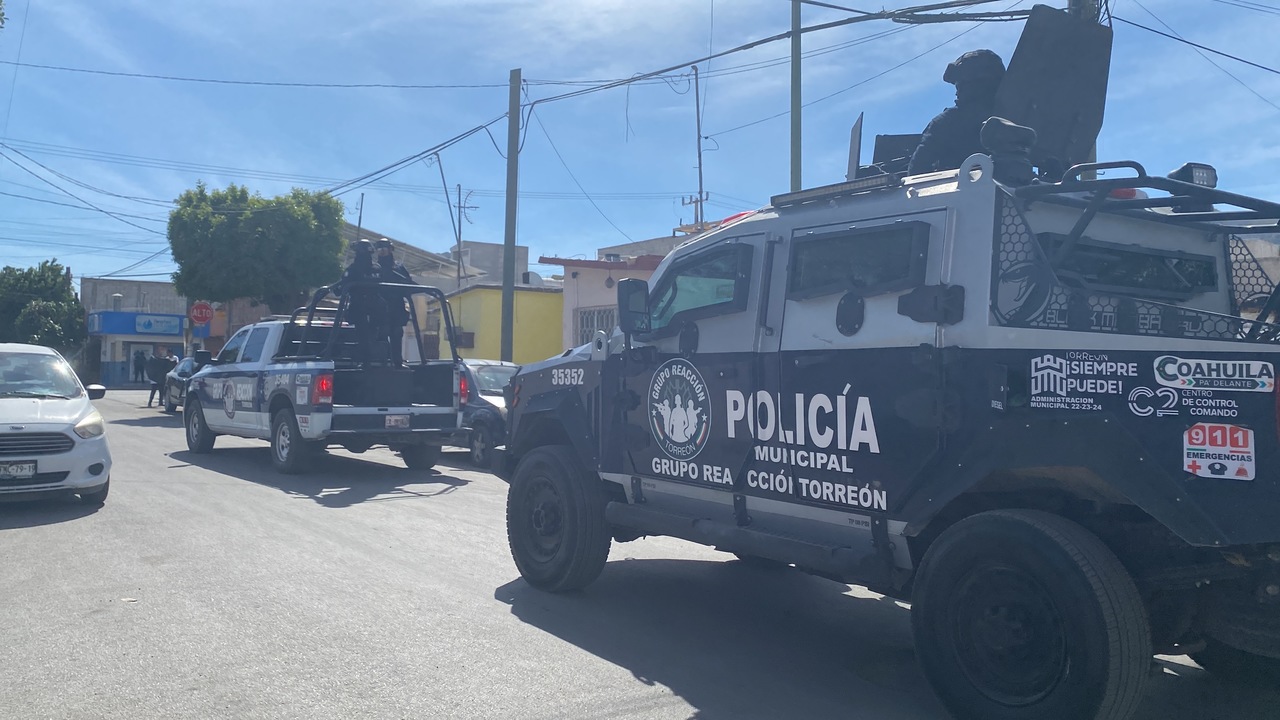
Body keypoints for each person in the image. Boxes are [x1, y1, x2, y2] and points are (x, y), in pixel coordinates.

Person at [907, 49, 1006, 175]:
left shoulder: (947, 122)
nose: (957, 92)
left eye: (961, 85)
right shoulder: (1013, 118)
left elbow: (917, 169)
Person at [332, 239, 387, 364]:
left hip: (359, 307)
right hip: (376, 309)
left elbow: (339, 289)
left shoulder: (353, 269)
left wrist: (336, 289)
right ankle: (374, 359)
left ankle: (365, 361)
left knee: (362, 335)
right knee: (373, 334)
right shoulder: (377, 269)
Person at [374, 238, 414, 365]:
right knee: (380, 336)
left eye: (384, 247)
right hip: (379, 309)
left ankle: (397, 362)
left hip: (396, 308)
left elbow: (408, 285)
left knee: (396, 334)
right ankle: (381, 362)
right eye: (379, 248)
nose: (381, 250)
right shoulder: (374, 268)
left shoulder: (398, 268)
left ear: (390, 249)